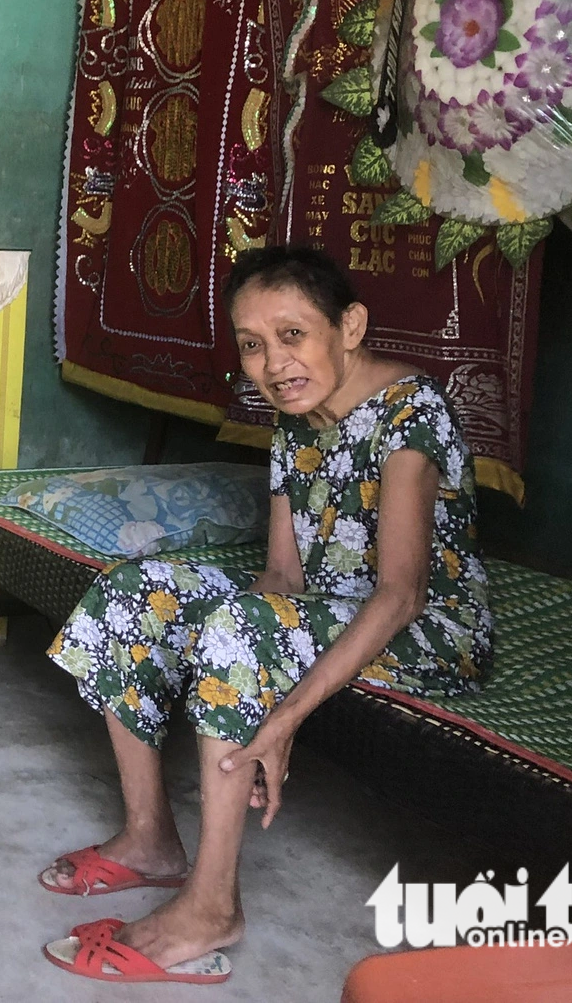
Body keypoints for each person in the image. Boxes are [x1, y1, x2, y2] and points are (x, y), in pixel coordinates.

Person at [39, 245, 492, 984]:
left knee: (239, 630)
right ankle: (151, 838)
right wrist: (198, 617)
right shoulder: (296, 421)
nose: (273, 363)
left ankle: (212, 905)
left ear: (350, 326)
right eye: (252, 345)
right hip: (327, 607)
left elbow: (401, 595)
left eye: (292, 335)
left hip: (428, 631)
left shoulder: (412, 411)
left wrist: (281, 719)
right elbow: (283, 574)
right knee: (135, 590)